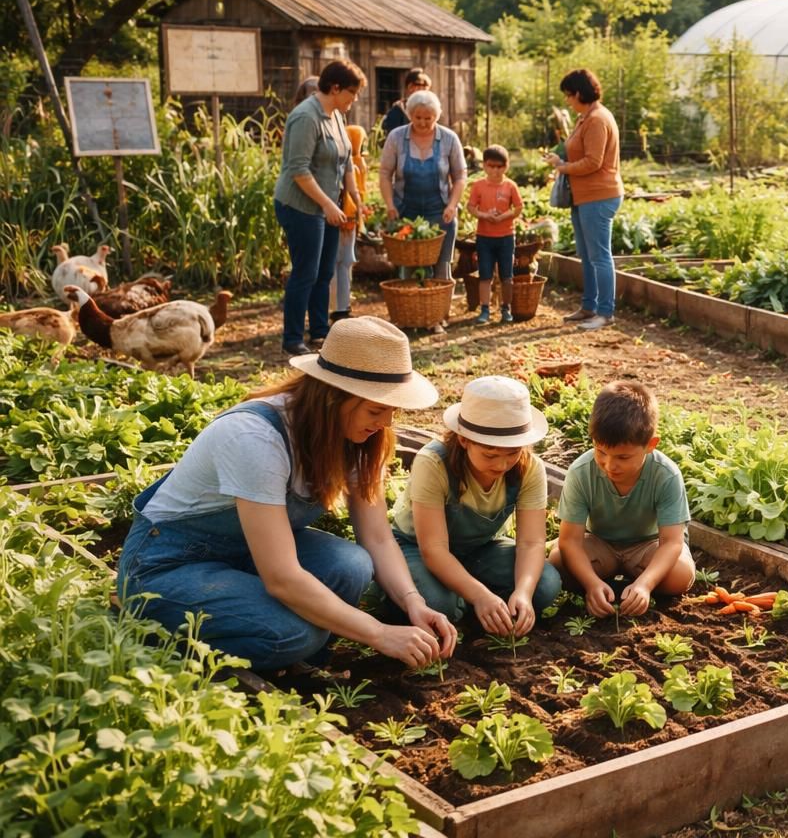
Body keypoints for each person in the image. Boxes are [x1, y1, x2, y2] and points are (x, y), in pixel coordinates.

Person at [115, 316, 457, 673]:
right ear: (333, 398)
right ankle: (150, 623)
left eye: (392, 410)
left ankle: (282, 651)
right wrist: (378, 633)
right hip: (167, 565)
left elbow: (377, 539)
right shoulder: (255, 438)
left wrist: (413, 602)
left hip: (246, 554)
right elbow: (281, 576)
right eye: (376, 409)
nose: (386, 423)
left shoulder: (357, 439)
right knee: (293, 635)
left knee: (351, 565)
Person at [391, 376, 561, 635]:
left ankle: (473, 600)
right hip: (419, 548)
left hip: (481, 549)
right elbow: (434, 549)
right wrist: (480, 595)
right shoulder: (433, 463)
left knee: (545, 584)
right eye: (490, 454)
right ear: (464, 440)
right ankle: (460, 598)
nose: (502, 465)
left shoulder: (530, 468)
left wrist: (523, 593)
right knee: (439, 605)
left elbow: (531, 543)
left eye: (512, 453)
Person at [549, 381, 694, 616]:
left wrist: (646, 584)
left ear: (650, 445)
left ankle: (634, 586)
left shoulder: (665, 475)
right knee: (558, 563)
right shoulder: (581, 471)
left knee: (680, 576)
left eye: (623, 457)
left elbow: (672, 543)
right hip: (599, 543)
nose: (609, 465)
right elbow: (570, 541)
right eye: (601, 452)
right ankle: (606, 585)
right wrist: (590, 585)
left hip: (648, 546)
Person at [274, 60, 365, 356]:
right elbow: (298, 170)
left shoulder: (336, 115)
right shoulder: (306, 117)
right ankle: (292, 338)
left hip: (327, 207)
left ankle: (320, 331)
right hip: (301, 205)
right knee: (306, 272)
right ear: (335, 88)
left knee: (325, 271)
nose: (355, 99)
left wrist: (354, 196)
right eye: (352, 92)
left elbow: (346, 158)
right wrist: (327, 204)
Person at [379, 89, 467, 332]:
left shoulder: (448, 139)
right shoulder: (397, 137)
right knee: (409, 264)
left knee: (440, 265)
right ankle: (409, 316)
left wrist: (452, 205)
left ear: (436, 116)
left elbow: (460, 175)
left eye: (428, 118)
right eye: (418, 117)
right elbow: (385, 173)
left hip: (440, 210)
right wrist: (390, 205)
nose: (423, 123)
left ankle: (437, 317)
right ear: (410, 115)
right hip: (406, 209)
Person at [542, 69, 621, 331]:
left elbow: (593, 162)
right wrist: (558, 158)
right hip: (584, 195)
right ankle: (589, 306)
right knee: (586, 255)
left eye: (568, 95)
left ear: (578, 93)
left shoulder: (598, 120)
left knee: (599, 256)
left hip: (599, 196)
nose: (567, 101)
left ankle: (605, 312)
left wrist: (562, 167)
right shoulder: (585, 118)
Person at [467, 145, 522, 325]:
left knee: (506, 275)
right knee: (485, 275)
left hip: (506, 236)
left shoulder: (510, 186)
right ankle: (485, 309)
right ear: (484, 165)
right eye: (492, 166)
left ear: (506, 166)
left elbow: (518, 208)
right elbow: (471, 207)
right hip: (484, 236)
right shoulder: (478, 186)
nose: (496, 170)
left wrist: (504, 217)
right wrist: (485, 216)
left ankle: (506, 308)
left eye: (500, 166)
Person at [331, 123, 369, 323]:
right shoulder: (355, 165)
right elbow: (356, 194)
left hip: (343, 217)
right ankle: (340, 306)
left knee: (340, 262)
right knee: (343, 263)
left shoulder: (348, 162)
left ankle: (339, 305)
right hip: (347, 218)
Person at [379, 67, 431, 138]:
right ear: (410, 87)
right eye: (421, 85)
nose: (425, 90)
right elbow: (392, 137)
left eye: (427, 86)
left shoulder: (430, 110)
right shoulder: (398, 110)